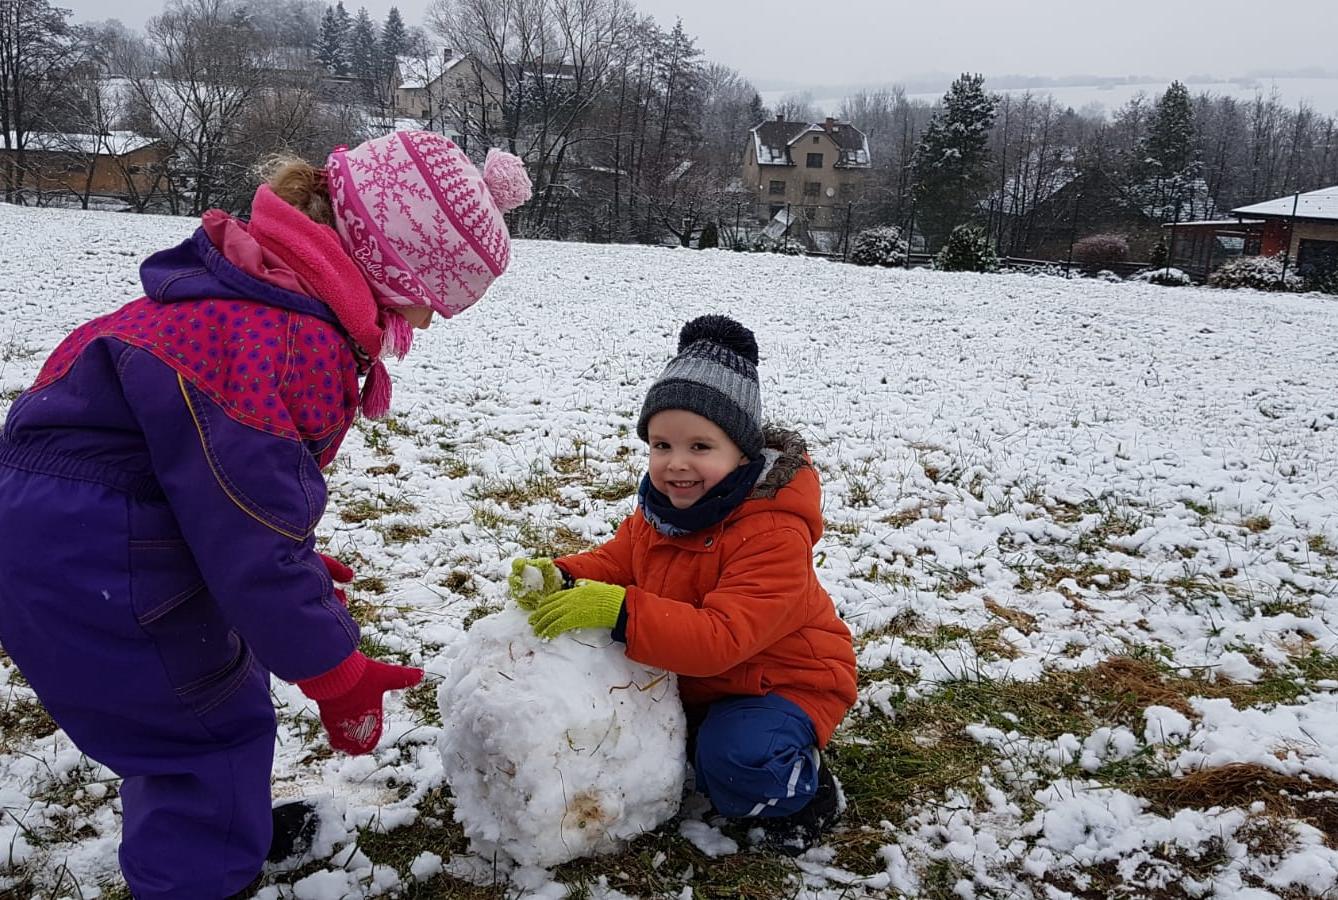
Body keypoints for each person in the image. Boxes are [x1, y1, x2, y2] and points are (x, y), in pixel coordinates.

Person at [0, 131, 532, 899]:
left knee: (195, 706)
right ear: (392, 263)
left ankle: (223, 834)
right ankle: (202, 878)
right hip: (96, 555)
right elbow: (253, 542)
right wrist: (336, 670)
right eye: (434, 297)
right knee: (205, 734)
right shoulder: (289, 340)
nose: (433, 319)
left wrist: (291, 561)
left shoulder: (245, 293)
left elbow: (220, 490)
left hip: (67, 530)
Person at [508, 315, 857, 854]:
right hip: (699, 680)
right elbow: (618, 560)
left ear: (742, 451)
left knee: (735, 763)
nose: (676, 465)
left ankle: (806, 793)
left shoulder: (772, 531)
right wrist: (564, 573)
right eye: (661, 445)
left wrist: (622, 612)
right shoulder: (664, 512)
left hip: (780, 683)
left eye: (700, 447)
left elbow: (722, 638)